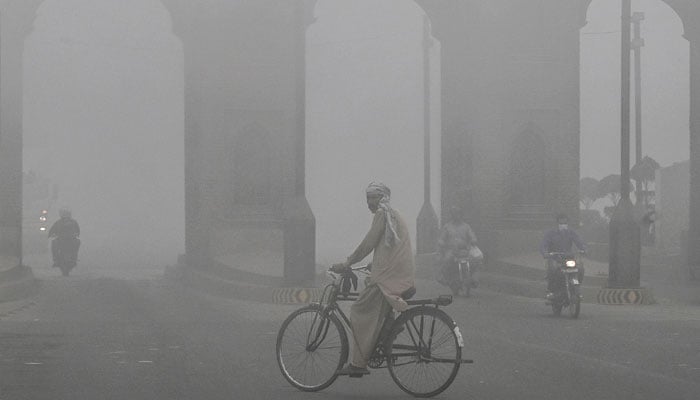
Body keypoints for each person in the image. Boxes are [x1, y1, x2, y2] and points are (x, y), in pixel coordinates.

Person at [331, 182, 415, 377]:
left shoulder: (382, 214)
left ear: (382, 198)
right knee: (375, 305)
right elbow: (389, 246)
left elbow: (368, 243)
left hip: (389, 276)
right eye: (367, 198)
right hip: (400, 272)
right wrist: (374, 263)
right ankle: (388, 330)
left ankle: (358, 364)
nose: (369, 202)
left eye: (373, 197)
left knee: (359, 310)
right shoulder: (393, 213)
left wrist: (347, 263)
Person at [539, 213, 586, 299]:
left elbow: (579, 241)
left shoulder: (571, 232)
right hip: (555, 258)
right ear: (557, 223)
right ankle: (551, 291)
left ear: (567, 223)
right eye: (561, 223)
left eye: (565, 223)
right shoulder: (551, 233)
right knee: (552, 270)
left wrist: (583, 249)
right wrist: (545, 253)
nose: (563, 225)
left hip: (568, 258)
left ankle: (576, 288)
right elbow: (544, 244)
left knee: (580, 268)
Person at [436, 206, 480, 287]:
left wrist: (473, 240)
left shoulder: (466, 226)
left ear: (461, 215)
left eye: (458, 214)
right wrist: (441, 243)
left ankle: (473, 279)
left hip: (464, 250)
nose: (457, 216)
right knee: (446, 260)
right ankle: (444, 277)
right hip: (451, 250)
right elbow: (442, 238)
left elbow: (472, 236)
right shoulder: (447, 227)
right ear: (452, 215)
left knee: (475, 260)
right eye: (454, 214)